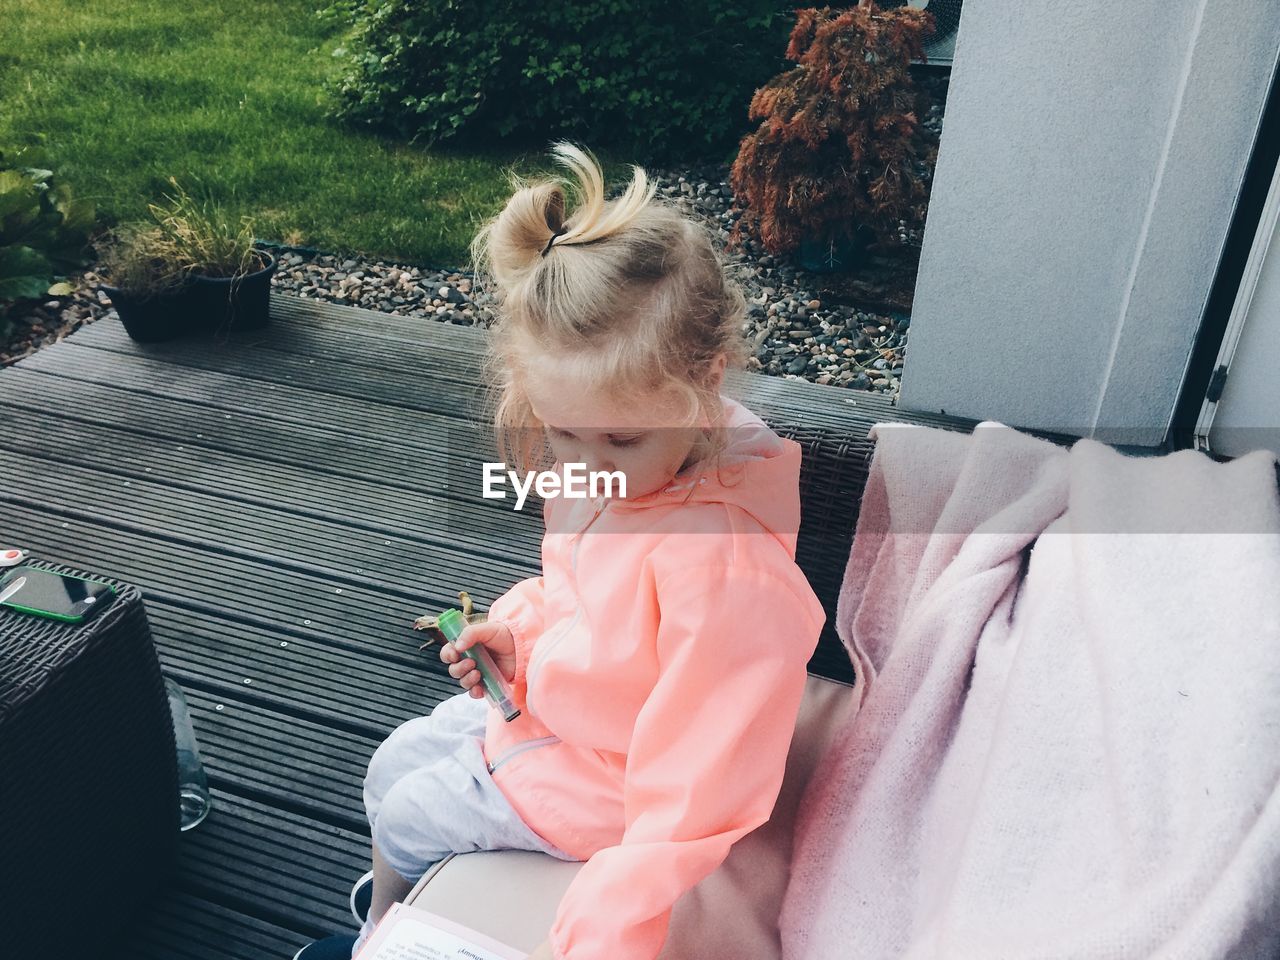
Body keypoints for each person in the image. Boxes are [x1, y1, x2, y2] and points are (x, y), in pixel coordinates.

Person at [293, 141, 826, 960]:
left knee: (404, 810)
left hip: (613, 779)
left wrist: (604, 934)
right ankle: (397, 898)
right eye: (562, 431)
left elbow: (693, 795)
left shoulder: (726, 572)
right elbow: (577, 591)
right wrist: (519, 633)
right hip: (563, 717)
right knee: (392, 761)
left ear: (708, 381)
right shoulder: (622, 469)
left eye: (618, 437)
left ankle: (377, 931)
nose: (582, 466)